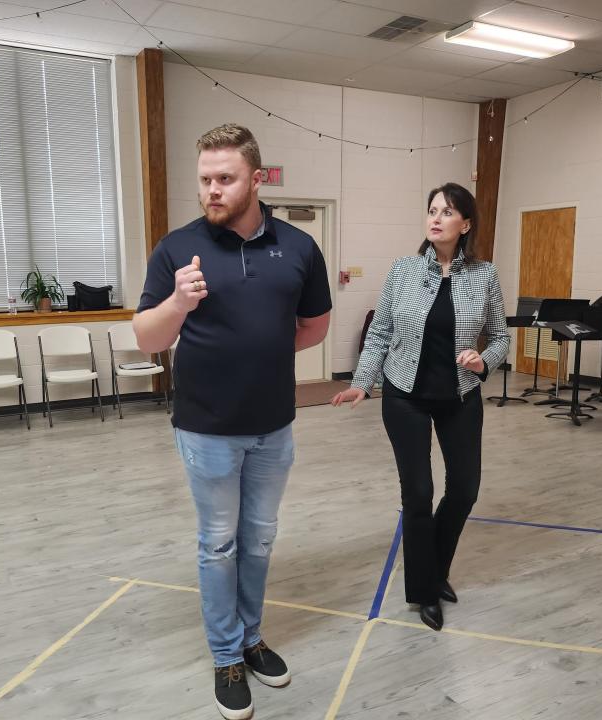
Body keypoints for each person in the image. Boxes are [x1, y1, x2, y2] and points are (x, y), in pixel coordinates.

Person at [134, 124, 332, 720]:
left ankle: (252, 637)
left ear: (256, 178)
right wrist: (178, 303)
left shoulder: (298, 247)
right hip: (206, 426)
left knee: (260, 538)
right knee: (218, 544)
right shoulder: (176, 249)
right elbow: (147, 340)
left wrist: (261, 352)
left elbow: (315, 326)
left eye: (225, 179)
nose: (212, 190)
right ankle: (226, 654)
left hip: (274, 425)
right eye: (205, 180)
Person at [332, 182, 508, 632]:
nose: (436, 218)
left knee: (465, 489)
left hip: (461, 395)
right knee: (419, 493)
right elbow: (380, 333)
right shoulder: (404, 270)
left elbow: (502, 337)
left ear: (465, 224)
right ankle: (424, 591)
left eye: (447, 212)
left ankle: (436, 568)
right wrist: (361, 382)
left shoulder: (484, 275)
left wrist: (483, 359)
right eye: (432, 210)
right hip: (404, 394)